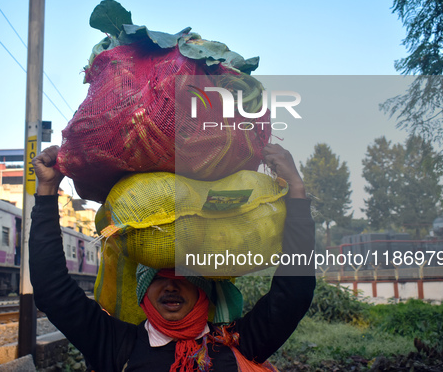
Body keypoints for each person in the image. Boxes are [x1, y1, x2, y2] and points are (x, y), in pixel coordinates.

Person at [30, 143, 315, 371]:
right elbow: (51, 291)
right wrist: (46, 192)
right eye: (156, 278)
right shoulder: (117, 345)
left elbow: (294, 293)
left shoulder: (235, 342)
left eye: (182, 277)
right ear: (142, 293)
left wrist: (298, 194)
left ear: (202, 288)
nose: (170, 286)